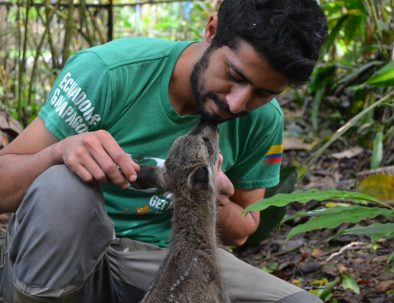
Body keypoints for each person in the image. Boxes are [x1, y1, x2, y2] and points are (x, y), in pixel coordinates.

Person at [0, 0, 327, 302]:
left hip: (168, 260)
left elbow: (244, 229)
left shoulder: (264, 121)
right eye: (234, 76)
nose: (237, 103)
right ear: (211, 31)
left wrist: (206, 195)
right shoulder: (111, 72)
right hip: (64, 258)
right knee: (63, 187)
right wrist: (60, 151)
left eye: (263, 93)